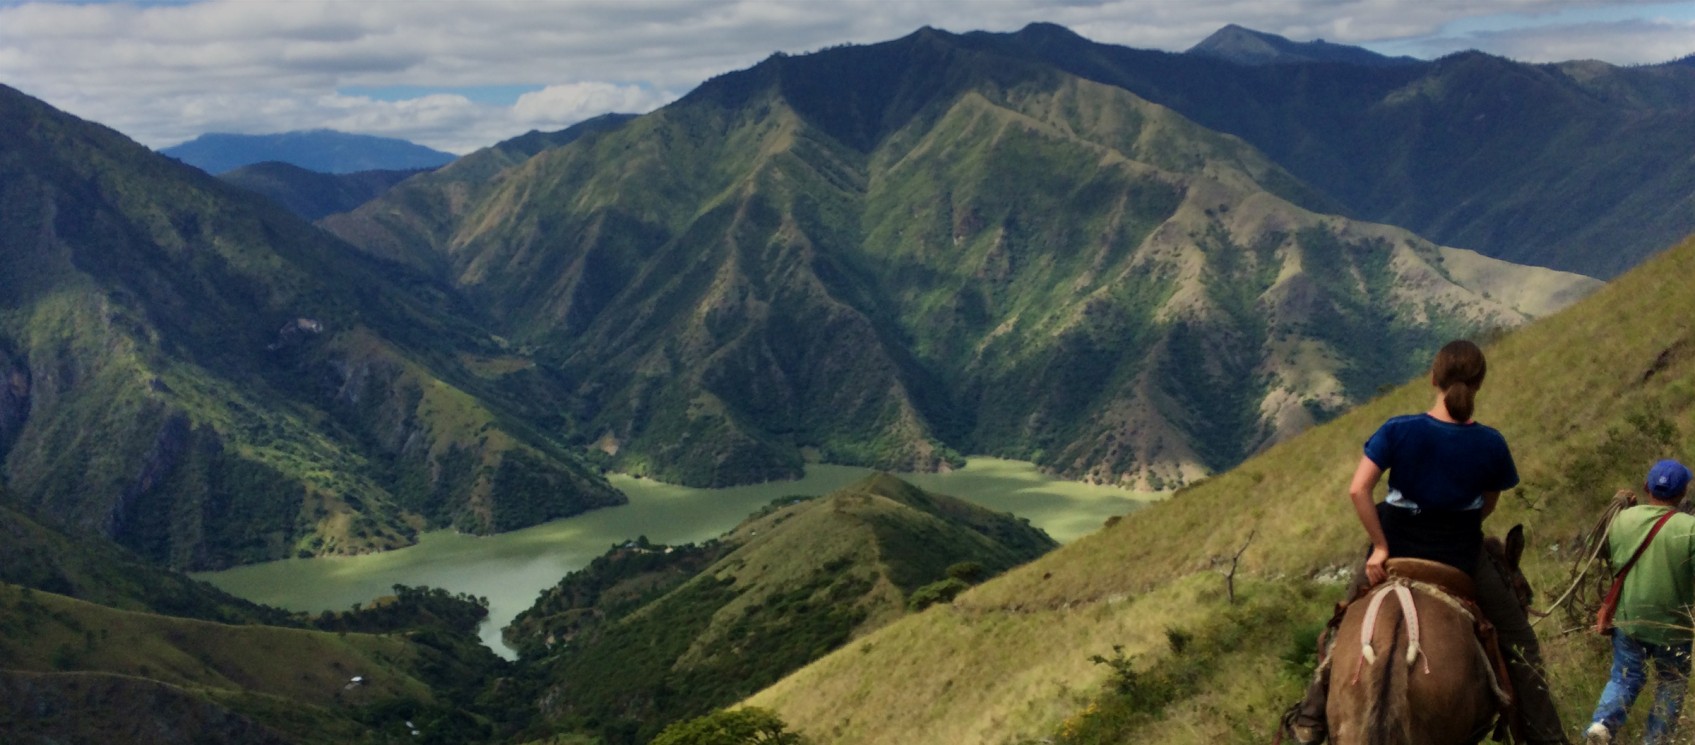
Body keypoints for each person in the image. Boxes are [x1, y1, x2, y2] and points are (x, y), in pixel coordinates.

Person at [1285, 339, 1568, 744]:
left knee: (1343, 623)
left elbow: (1358, 491)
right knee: (1521, 642)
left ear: (1433, 379)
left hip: (1394, 548)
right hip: (1460, 555)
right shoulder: (1491, 443)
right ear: (1479, 384)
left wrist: (1380, 547)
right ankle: (1549, 738)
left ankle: (1310, 721)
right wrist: (1451, 522)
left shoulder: (1397, 429)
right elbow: (1487, 505)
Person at [1584, 459, 1695, 745]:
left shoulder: (1621, 520)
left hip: (1629, 619)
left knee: (1624, 678)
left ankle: (1601, 725)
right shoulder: (1690, 528)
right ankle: (1656, 740)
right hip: (1674, 626)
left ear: (1646, 487)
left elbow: (1610, 555)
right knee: (1671, 682)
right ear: (1683, 493)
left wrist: (1627, 507)